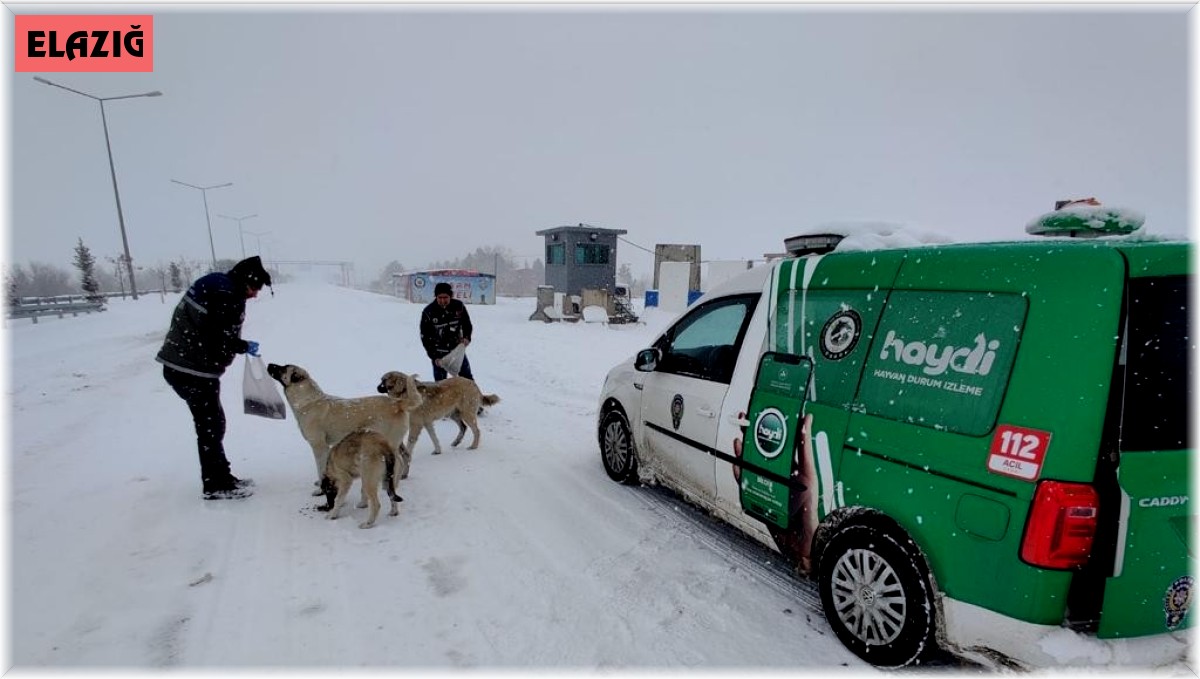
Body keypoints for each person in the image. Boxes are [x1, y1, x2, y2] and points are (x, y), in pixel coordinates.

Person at [156, 256, 271, 500]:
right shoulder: (226, 293)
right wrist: (242, 345)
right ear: (246, 280)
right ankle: (216, 484)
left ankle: (221, 477)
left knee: (212, 423)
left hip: (185, 366)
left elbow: (212, 331)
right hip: (191, 369)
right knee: (210, 426)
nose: (254, 295)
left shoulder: (220, 285)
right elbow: (217, 336)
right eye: (254, 288)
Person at [420, 281, 474, 381]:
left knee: (467, 379)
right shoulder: (428, 312)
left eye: (445, 297)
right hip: (439, 354)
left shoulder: (459, 306)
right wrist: (434, 356)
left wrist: (467, 337)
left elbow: (467, 324)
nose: (442, 300)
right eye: (440, 297)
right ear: (435, 297)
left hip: (456, 351)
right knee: (440, 386)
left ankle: (472, 396)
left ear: (451, 296)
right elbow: (425, 337)